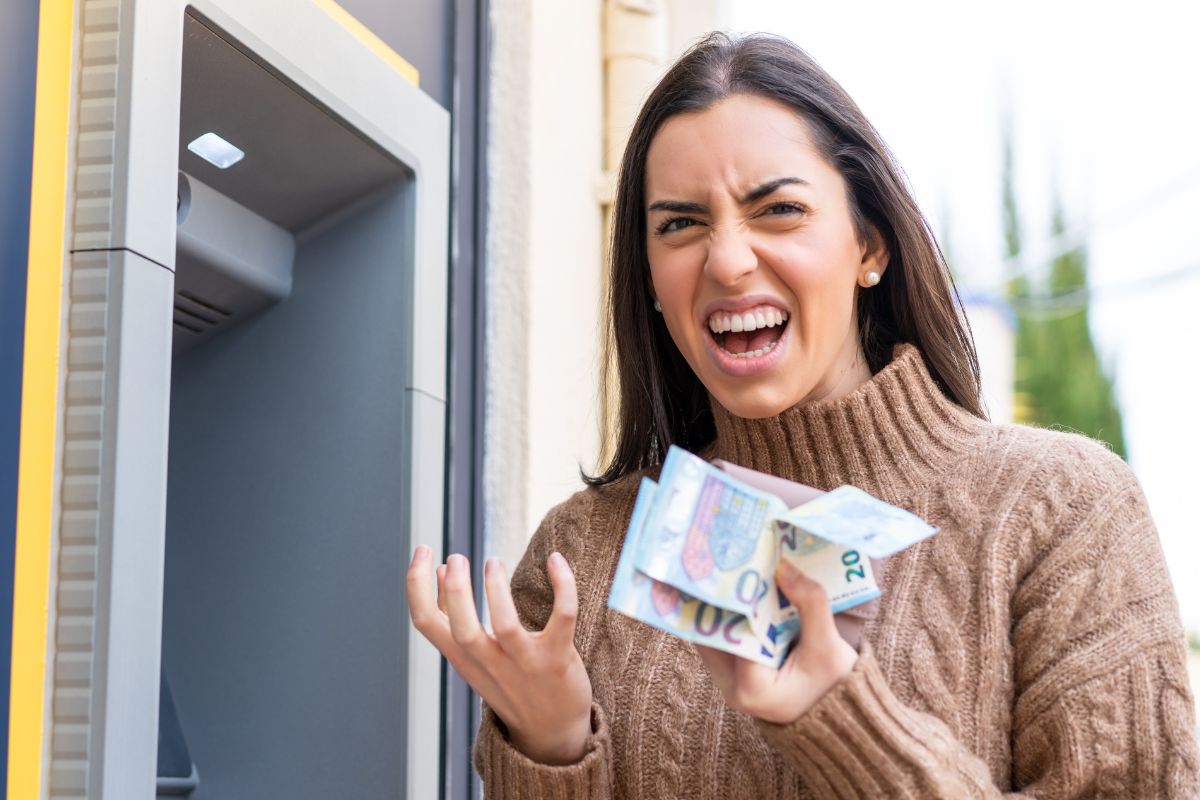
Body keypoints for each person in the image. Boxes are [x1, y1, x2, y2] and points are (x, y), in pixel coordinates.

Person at [408, 32, 1200, 798]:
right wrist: (554, 750)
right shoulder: (582, 556)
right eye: (680, 224)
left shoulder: (1060, 511)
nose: (726, 260)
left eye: (778, 209)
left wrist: (843, 721)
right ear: (647, 276)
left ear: (870, 246)